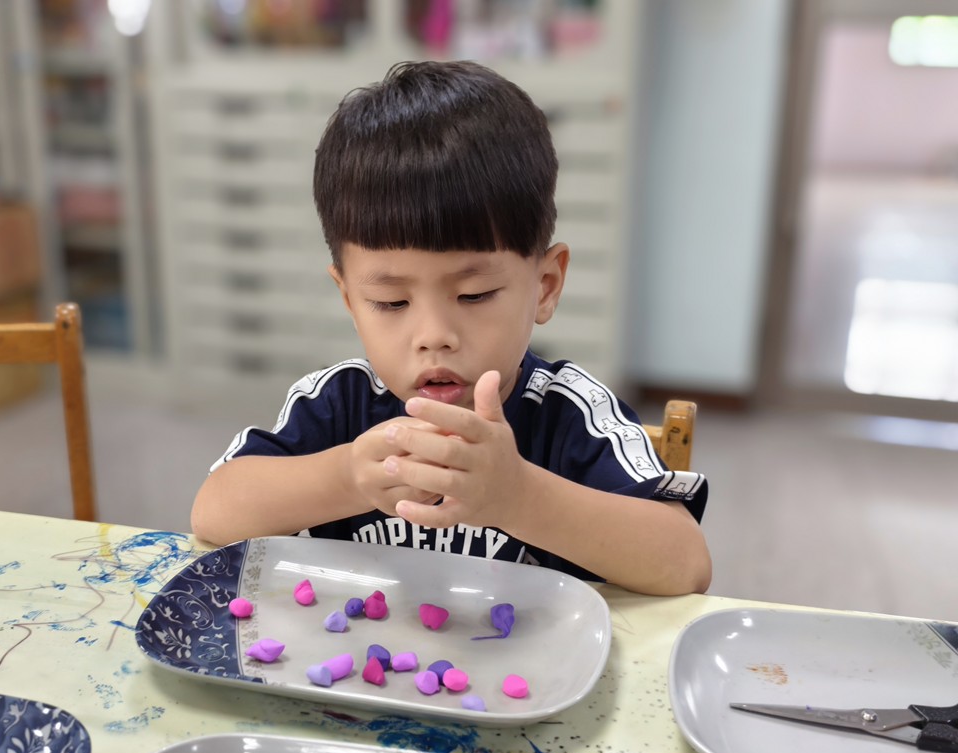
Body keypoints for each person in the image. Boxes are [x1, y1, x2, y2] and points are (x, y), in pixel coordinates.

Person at [191, 60, 711, 595]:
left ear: (545, 286)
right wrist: (346, 477)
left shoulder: (570, 414)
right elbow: (213, 512)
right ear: (349, 299)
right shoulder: (339, 403)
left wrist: (519, 496)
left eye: (473, 295)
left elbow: (685, 563)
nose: (433, 335)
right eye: (391, 302)